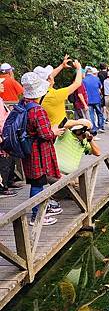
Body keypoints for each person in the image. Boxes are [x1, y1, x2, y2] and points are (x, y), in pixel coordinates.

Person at [20, 72, 64, 226]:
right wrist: (55, 132)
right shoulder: (37, 110)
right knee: (37, 183)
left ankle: (41, 210)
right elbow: (45, 134)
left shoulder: (22, 105)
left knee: (36, 181)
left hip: (27, 149)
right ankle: (36, 216)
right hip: (37, 152)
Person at [34, 56, 82, 127]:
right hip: (58, 129)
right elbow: (77, 83)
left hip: (47, 126)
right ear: (50, 79)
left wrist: (62, 66)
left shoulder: (36, 94)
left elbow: (47, 78)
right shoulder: (55, 95)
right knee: (86, 123)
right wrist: (79, 68)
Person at [0, 78, 18, 198]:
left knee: (8, 158)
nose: (2, 85)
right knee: (4, 160)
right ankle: (3, 187)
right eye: (0, 84)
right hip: (2, 135)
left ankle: (7, 183)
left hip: (6, 134)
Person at [83, 67, 104, 136]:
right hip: (97, 99)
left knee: (91, 115)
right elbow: (100, 87)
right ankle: (101, 126)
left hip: (88, 100)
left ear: (86, 73)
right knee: (99, 113)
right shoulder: (96, 78)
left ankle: (94, 128)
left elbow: (84, 90)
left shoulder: (84, 80)